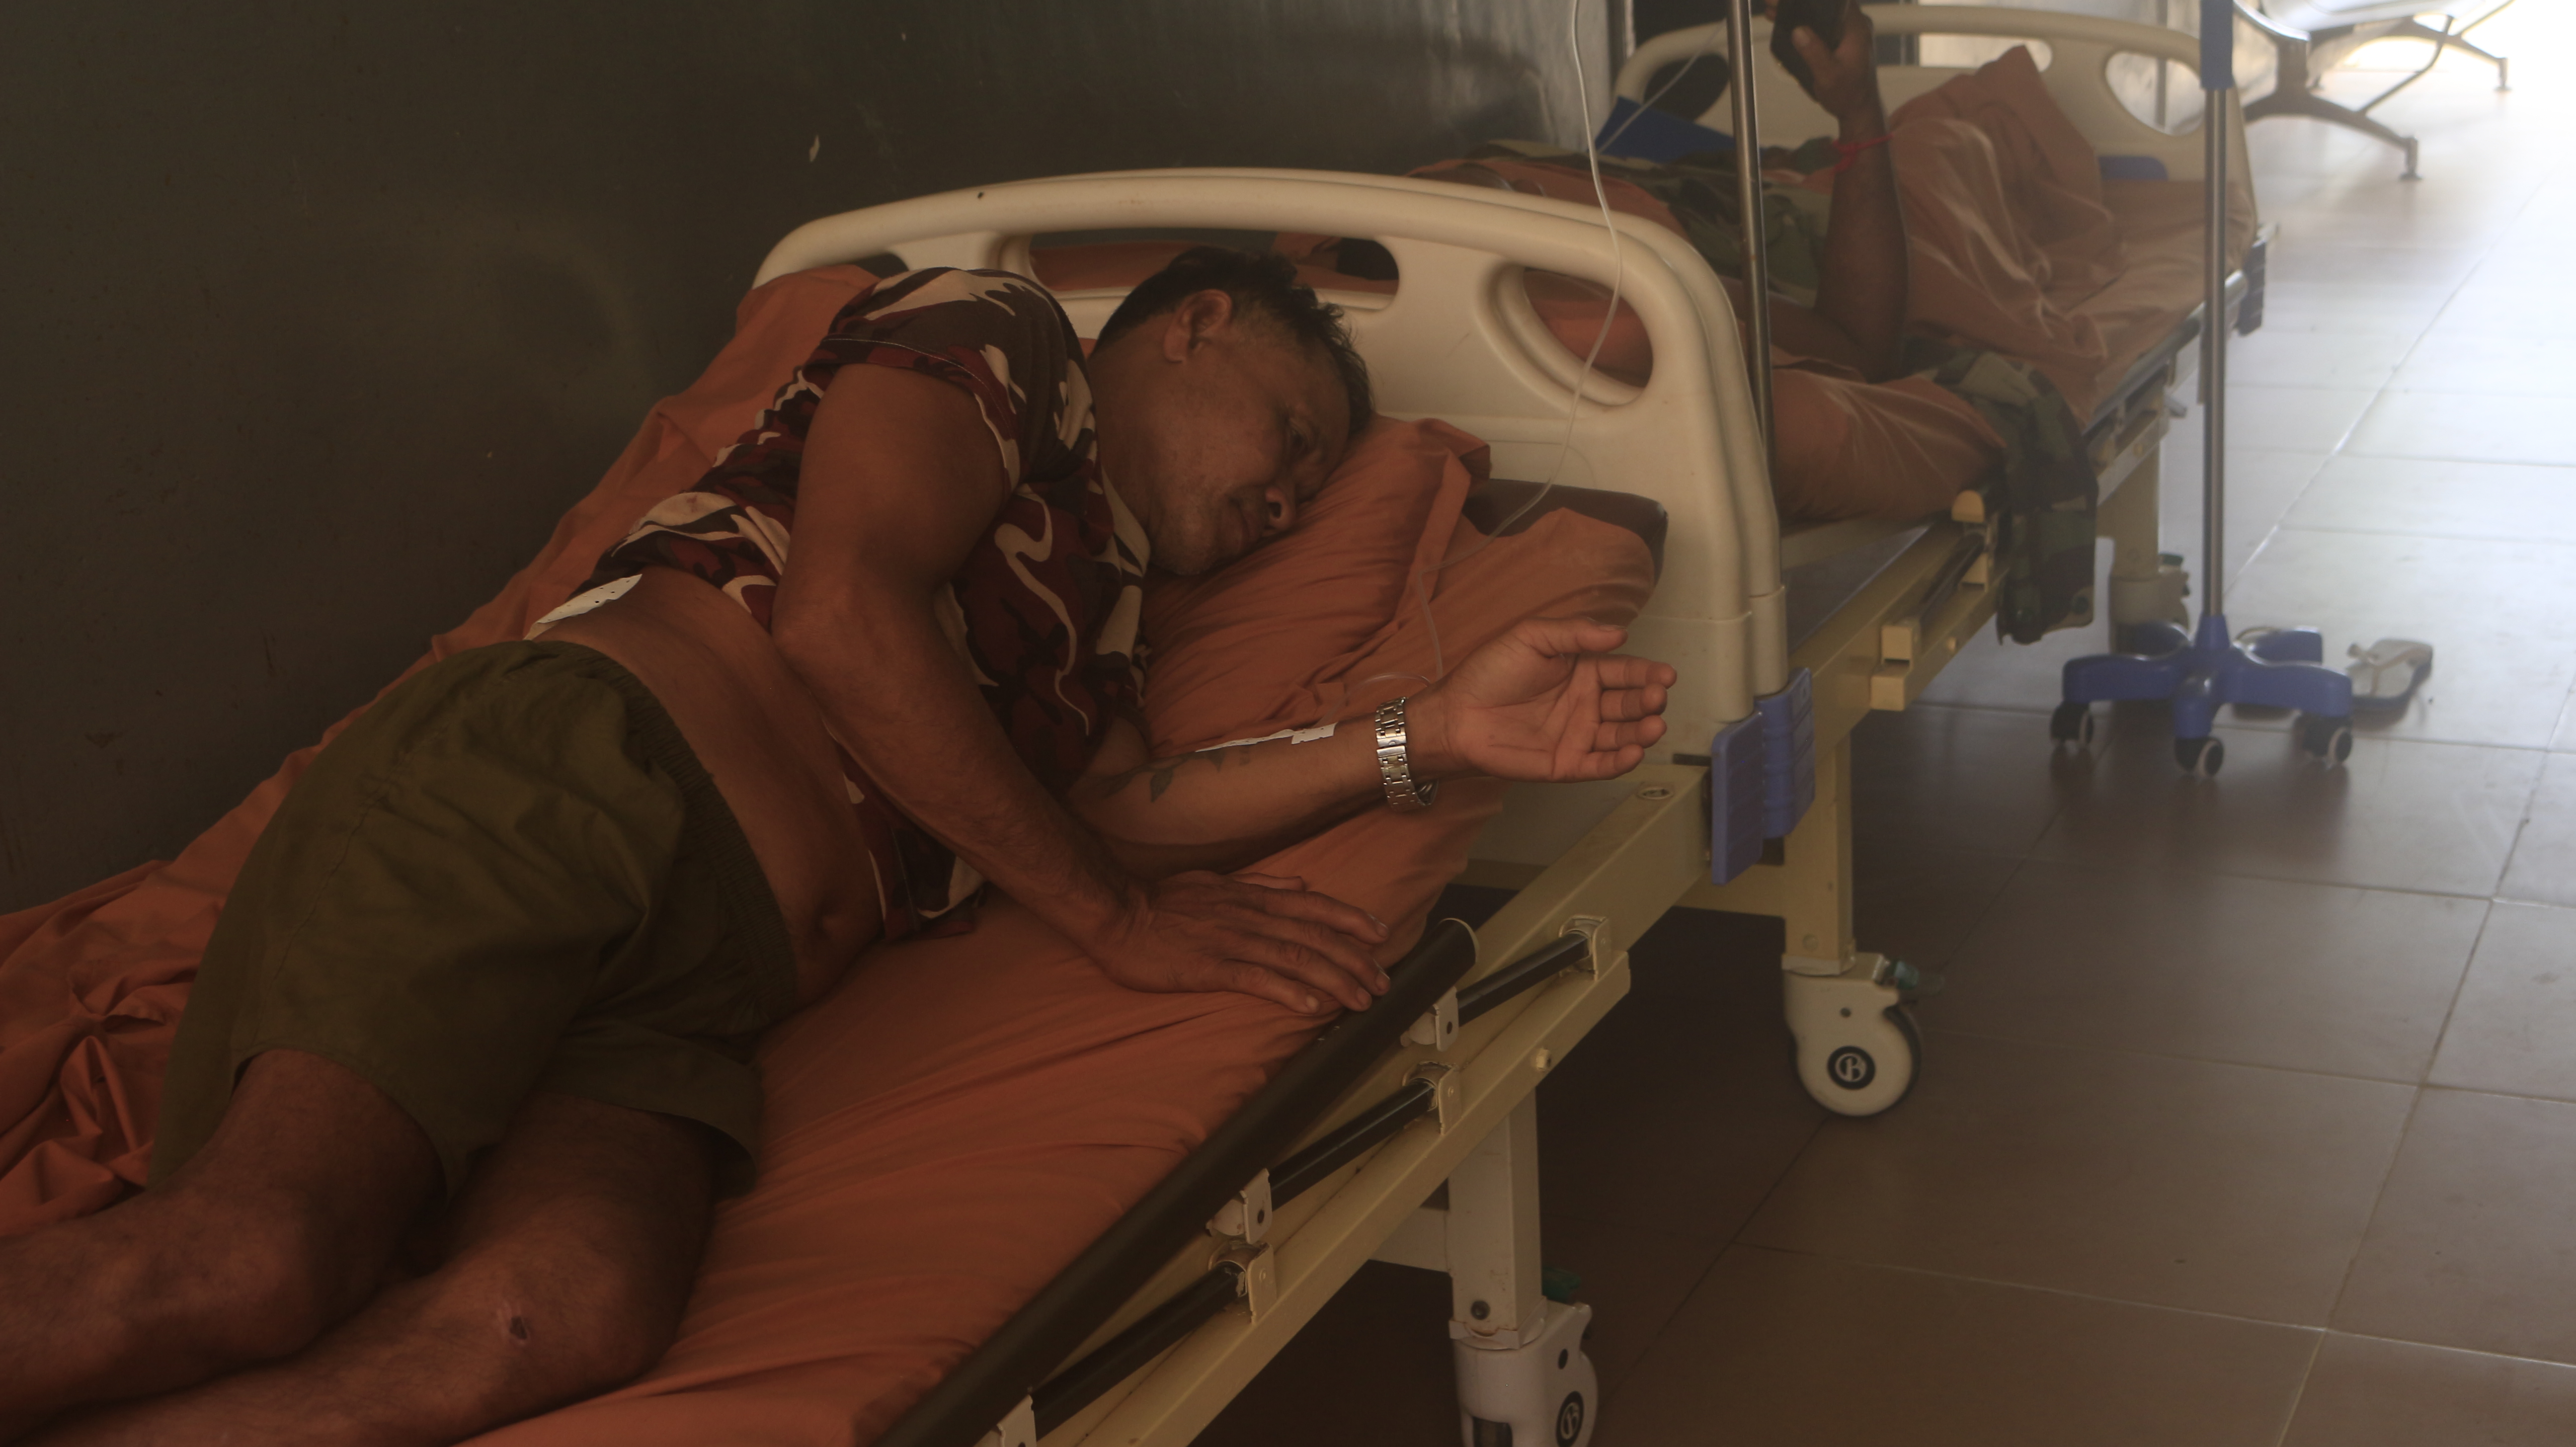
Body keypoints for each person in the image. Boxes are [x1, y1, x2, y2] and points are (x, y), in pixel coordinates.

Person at [0, 246, 1673, 1445]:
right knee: (261, 1256)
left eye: (1309, 496)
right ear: (1196, 324)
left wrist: (1433, 736)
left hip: (686, 996)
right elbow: (843, 614)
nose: (1290, 505)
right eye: (1292, 443)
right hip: (568, 786)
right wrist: (1109, 926)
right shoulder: (997, 331)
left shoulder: (1101, 622)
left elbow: (1118, 815)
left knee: (545, 1318)